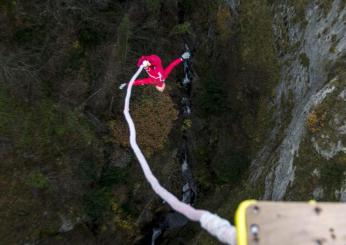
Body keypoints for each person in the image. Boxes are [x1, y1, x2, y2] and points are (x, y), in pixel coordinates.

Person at [119, 52, 191, 92]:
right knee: (146, 68)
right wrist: (127, 84)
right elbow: (138, 82)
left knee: (149, 66)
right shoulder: (152, 82)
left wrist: (181, 58)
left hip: (156, 59)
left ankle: (145, 63)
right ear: (157, 86)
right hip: (151, 63)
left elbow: (172, 65)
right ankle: (145, 64)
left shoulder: (164, 77)